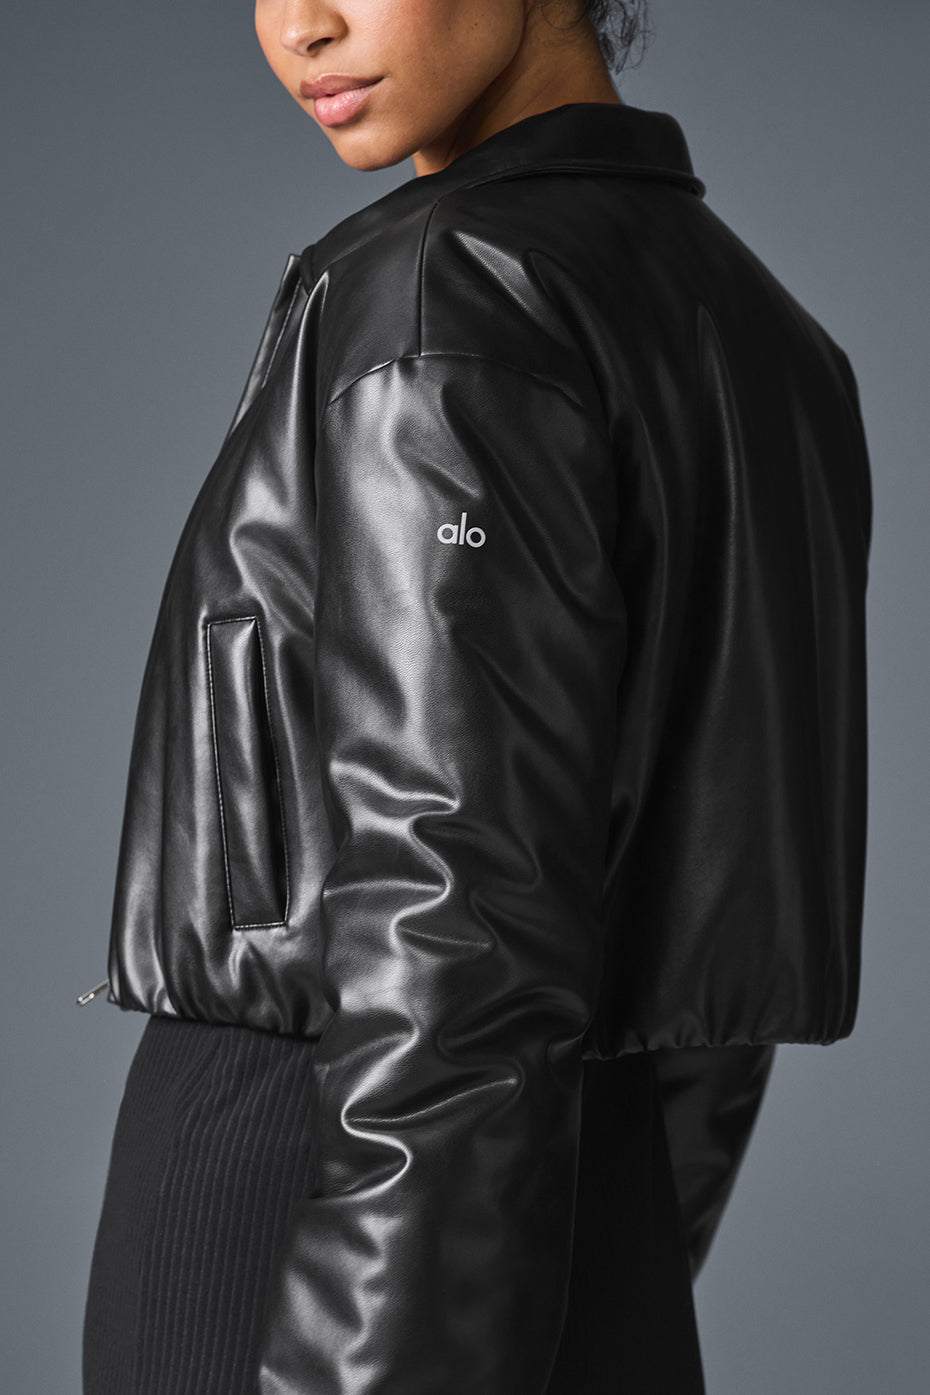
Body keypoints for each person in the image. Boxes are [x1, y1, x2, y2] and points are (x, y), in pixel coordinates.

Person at [78, 1, 872, 1392]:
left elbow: (449, 913)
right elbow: (709, 979)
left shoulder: (451, 292)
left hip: (310, 1210)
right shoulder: (774, 340)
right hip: (582, 1216)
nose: (302, 27)